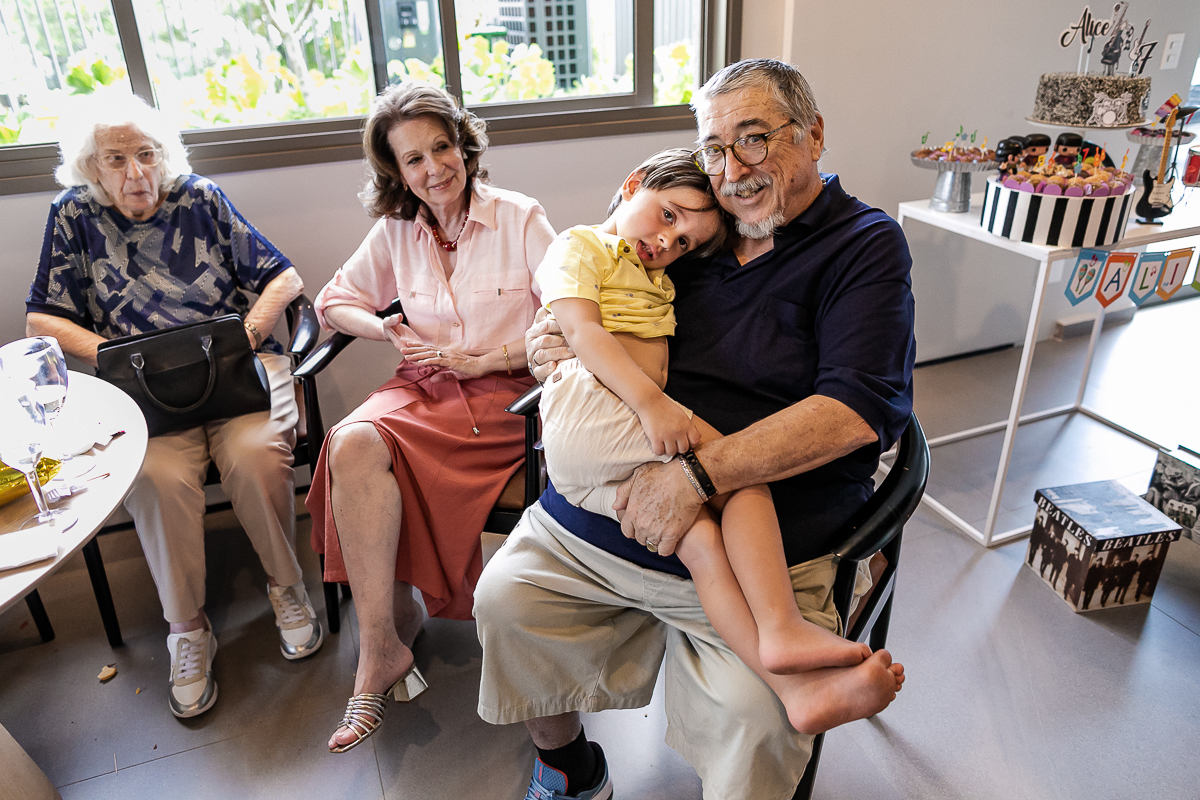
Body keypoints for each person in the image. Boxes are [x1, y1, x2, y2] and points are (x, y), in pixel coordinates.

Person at [474, 58, 914, 800]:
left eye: (753, 139)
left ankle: (777, 661)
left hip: (764, 538)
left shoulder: (864, 246)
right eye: (714, 147)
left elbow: (855, 410)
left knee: (758, 716)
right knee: (506, 602)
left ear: (813, 135)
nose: (731, 169)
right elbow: (598, 304)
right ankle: (569, 768)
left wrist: (701, 476)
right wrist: (545, 340)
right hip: (612, 504)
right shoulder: (697, 236)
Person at [537, 146, 874, 703]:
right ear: (633, 182)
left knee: (701, 543)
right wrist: (652, 404)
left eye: (685, 242)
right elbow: (582, 333)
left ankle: (790, 689)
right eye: (669, 215)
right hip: (601, 412)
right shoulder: (582, 245)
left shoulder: (659, 275)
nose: (668, 242)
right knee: (739, 473)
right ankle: (782, 624)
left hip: (591, 456)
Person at [25, 94, 321, 719]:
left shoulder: (201, 198)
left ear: (164, 156)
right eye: (116, 159)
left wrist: (246, 331)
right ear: (92, 166)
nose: (136, 174)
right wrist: (112, 355)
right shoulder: (73, 215)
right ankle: (187, 628)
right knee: (155, 476)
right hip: (144, 392)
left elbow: (284, 279)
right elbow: (41, 319)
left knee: (255, 457)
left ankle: (287, 588)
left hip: (233, 374)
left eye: (146, 154)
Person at [305, 82, 556, 753]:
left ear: (463, 146)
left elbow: (566, 318)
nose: (433, 168)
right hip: (424, 388)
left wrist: (488, 358)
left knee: (373, 448)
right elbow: (334, 301)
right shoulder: (395, 230)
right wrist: (385, 327)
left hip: (506, 398)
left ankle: (385, 643)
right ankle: (380, 646)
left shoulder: (520, 216)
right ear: (397, 173)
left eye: (441, 147)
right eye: (413, 160)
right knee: (354, 439)